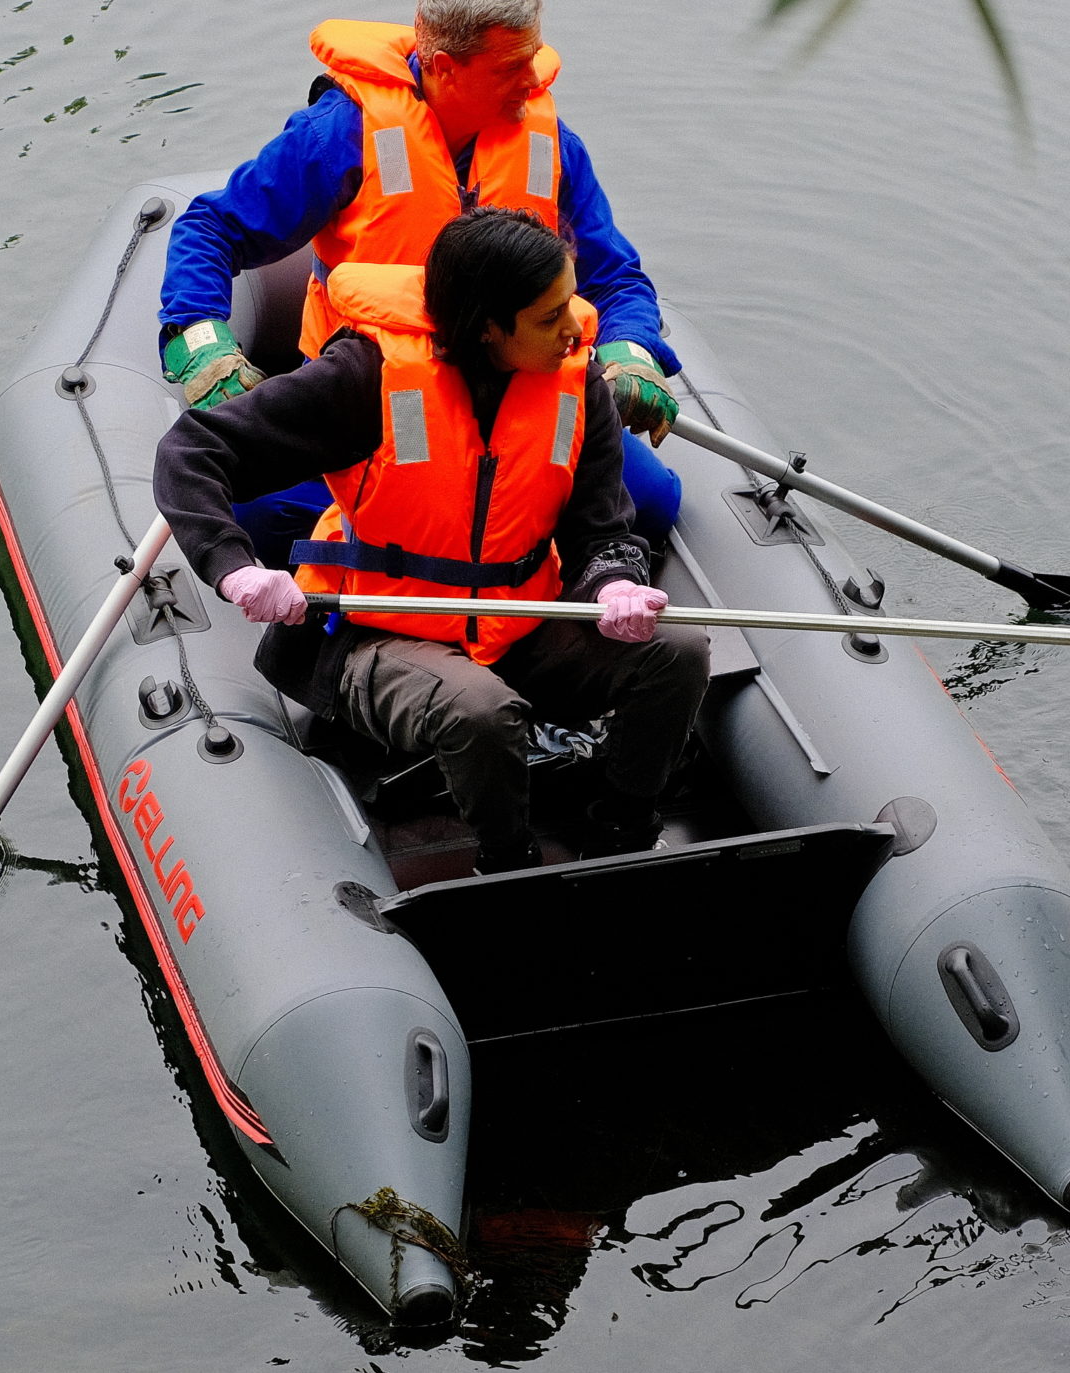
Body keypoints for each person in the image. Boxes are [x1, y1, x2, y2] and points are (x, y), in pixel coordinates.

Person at [154, 207, 712, 875]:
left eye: (572, 304)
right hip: (375, 633)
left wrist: (612, 581)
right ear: (487, 327)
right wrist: (235, 569)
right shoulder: (366, 377)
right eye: (549, 316)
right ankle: (508, 863)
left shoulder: (576, 381)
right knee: (480, 709)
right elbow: (193, 451)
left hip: (515, 626)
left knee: (678, 651)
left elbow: (601, 528)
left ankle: (622, 831)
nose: (576, 328)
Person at [157, 0, 684, 548]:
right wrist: (199, 337)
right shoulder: (341, 133)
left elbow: (614, 277)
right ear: (443, 69)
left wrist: (632, 349)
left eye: (532, 62)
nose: (532, 83)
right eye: (510, 68)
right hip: (376, 392)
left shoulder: (552, 145)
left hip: (525, 387)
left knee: (651, 505)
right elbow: (212, 226)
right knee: (251, 510)